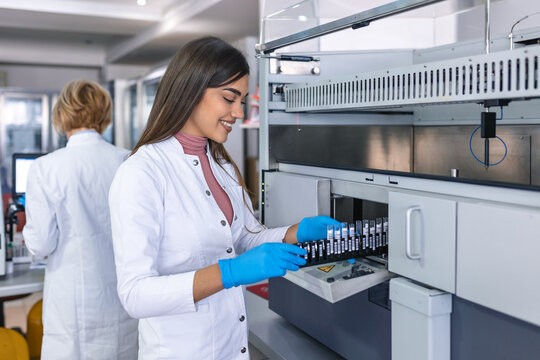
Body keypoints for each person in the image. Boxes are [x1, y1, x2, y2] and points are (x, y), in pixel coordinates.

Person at [108, 36, 339, 359]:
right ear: (190, 90)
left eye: (242, 100)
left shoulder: (220, 166)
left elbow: (244, 238)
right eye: (229, 98)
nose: (239, 112)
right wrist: (229, 272)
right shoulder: (142, 173)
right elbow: (135, 295)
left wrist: (297, 232)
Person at [23, 80, 138, 359]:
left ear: (61, 115)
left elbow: (41, 244)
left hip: (71, 307)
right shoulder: (127, 161)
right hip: (122, 299)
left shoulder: (45, 168)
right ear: (105, 115)